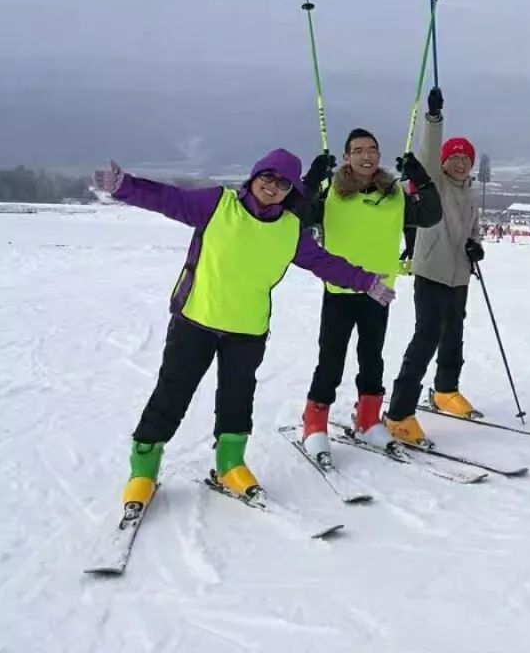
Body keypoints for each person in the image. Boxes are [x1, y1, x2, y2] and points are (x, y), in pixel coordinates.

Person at [94, 150, 394, 509]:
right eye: (267, 177)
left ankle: (230, 464)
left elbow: (324, 263)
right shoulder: (217, 205)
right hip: (196, 321)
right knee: (172, 394)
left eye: (282, 183)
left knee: (238, 399)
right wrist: (125, 187)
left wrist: (366, 282)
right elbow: (167, 199)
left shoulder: (289, 230)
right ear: (253, 177)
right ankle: (143, 469)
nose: (272, 187)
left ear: (291, 191)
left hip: (247, 330)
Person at [297, 129, 443, 459]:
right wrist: (311, 178)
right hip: (339, 290)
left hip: (378, 291)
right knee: (330, 362)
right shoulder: (330, 191)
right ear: (347, 157)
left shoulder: (393, 195)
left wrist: (419, 176)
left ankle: (367, 420)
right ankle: (314, 422)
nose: (367, 156)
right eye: (358, 150)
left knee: (372, 358)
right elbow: (298, 213)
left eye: (372, 150)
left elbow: (431, 215)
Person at [382, 87, 484, 446]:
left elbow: (473, 227)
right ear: (443, 163)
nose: (460, 163)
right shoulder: (434, 183)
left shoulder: (471, 190)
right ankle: (398, 412)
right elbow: (425, 155)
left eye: (465, 159)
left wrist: (476, 245)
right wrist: (434, 118)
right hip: (431, 272)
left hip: (459, 276)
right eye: (454, 158)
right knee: (426, 338)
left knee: (454, 334)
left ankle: (445, 390)